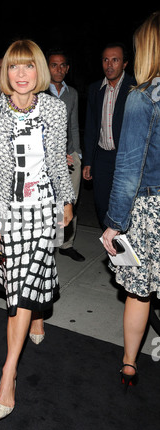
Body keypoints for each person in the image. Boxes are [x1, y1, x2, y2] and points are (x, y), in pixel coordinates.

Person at [0, 39, 75, 419]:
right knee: (17, 291)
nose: (21, 74)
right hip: (9, 211)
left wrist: (66, 199)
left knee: (32, 272)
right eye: (13, 67)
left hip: (44, 209)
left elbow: (55, 161)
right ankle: (8, 373)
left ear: (39, 71)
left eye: (28, 66)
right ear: (4, 73)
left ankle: (35, 317)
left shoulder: (53, 107)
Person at [102, 11, 160, 390]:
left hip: (150, 210)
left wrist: (114, 222)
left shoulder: (143, 97)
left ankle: (129, 365)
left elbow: (128, 169)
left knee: (139, 292)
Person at [83, 43, 136, 230]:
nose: (109, 64)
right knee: (101, 205)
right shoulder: (95, 89)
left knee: (126, 207)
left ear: (125, 64)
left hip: (126, 159)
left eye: (115, 60)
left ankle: (125, 251)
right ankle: (111, 250)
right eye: (106, 60)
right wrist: (88, 161)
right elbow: (90, 127)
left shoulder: (135, 88)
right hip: (102, 157)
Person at [46, 49, 85, 261]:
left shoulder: (73, 94)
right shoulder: (39, 92)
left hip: (70, 157)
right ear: (47, 67)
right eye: (54, 64)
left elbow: (74, 126)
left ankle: (66, 243)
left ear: (67, 69)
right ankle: (47, 244)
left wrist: (77, 153)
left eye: (62, 65)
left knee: (71, 201)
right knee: (48, 203)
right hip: (47, 160)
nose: (58, 69)